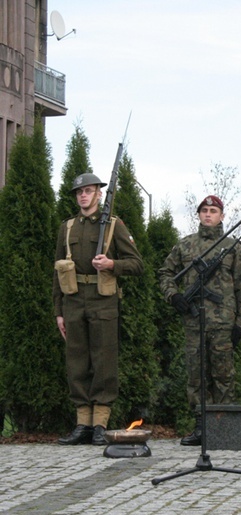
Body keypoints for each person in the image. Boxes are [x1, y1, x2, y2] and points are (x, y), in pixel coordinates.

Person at [54, 173, 144, 446]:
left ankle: (100, 424)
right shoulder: (67, 227)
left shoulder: (114, 225)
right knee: (77, 361)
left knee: (104, 361)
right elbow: (57, 272)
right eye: (79, 192)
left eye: (89, 191)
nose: (83, 195)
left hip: (103, 301)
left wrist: (111, 265)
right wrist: (58, 311)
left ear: (99, 194)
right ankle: (82, 424)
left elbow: (137, 264)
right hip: (73, 300)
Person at [159, 195, 241, 446]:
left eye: (213, 211)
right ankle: (201, 427)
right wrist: (174, 295)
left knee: (223, 375)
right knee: (196, 375)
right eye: (204, 211)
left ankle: (223, 427)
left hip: (223, 323)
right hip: (194, 321)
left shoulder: (232, 246)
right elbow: (166, 273)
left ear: (222, 216)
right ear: (198, 215)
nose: (208, 214)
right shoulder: (185, 245)